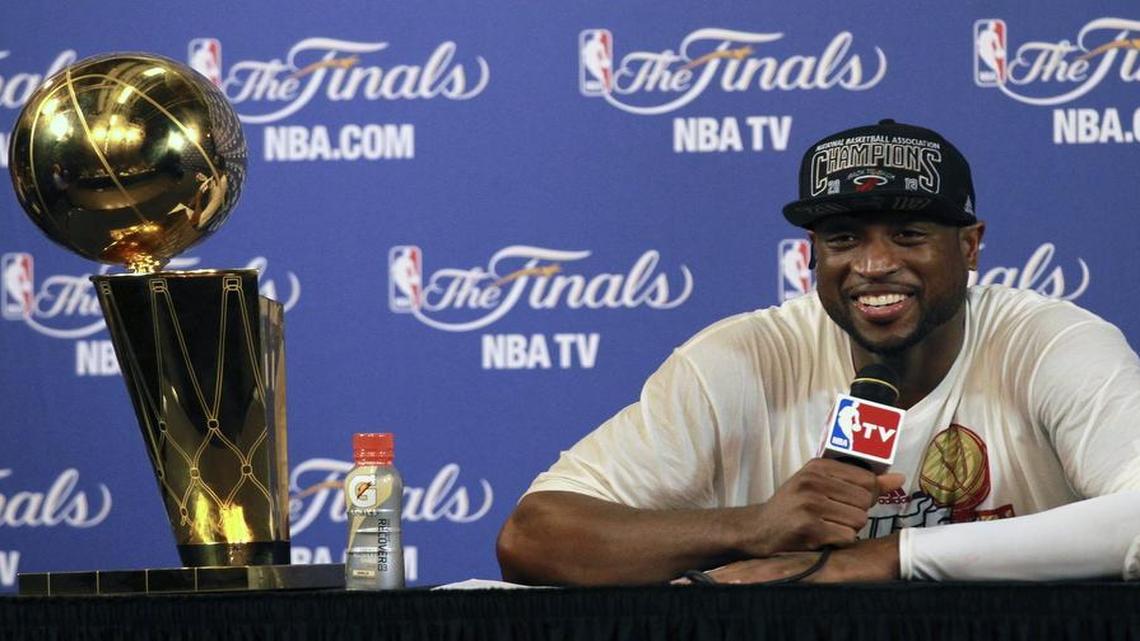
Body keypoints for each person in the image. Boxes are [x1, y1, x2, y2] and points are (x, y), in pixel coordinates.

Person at [496, 119, 1140, 585]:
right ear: (813, 254)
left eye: (910, 234)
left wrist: (886, 558)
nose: (875, 264)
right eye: (844, 238)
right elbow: (535, 536)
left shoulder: (1051, 343)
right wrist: (753, 527)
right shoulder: (743, 358)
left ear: (970, 247)